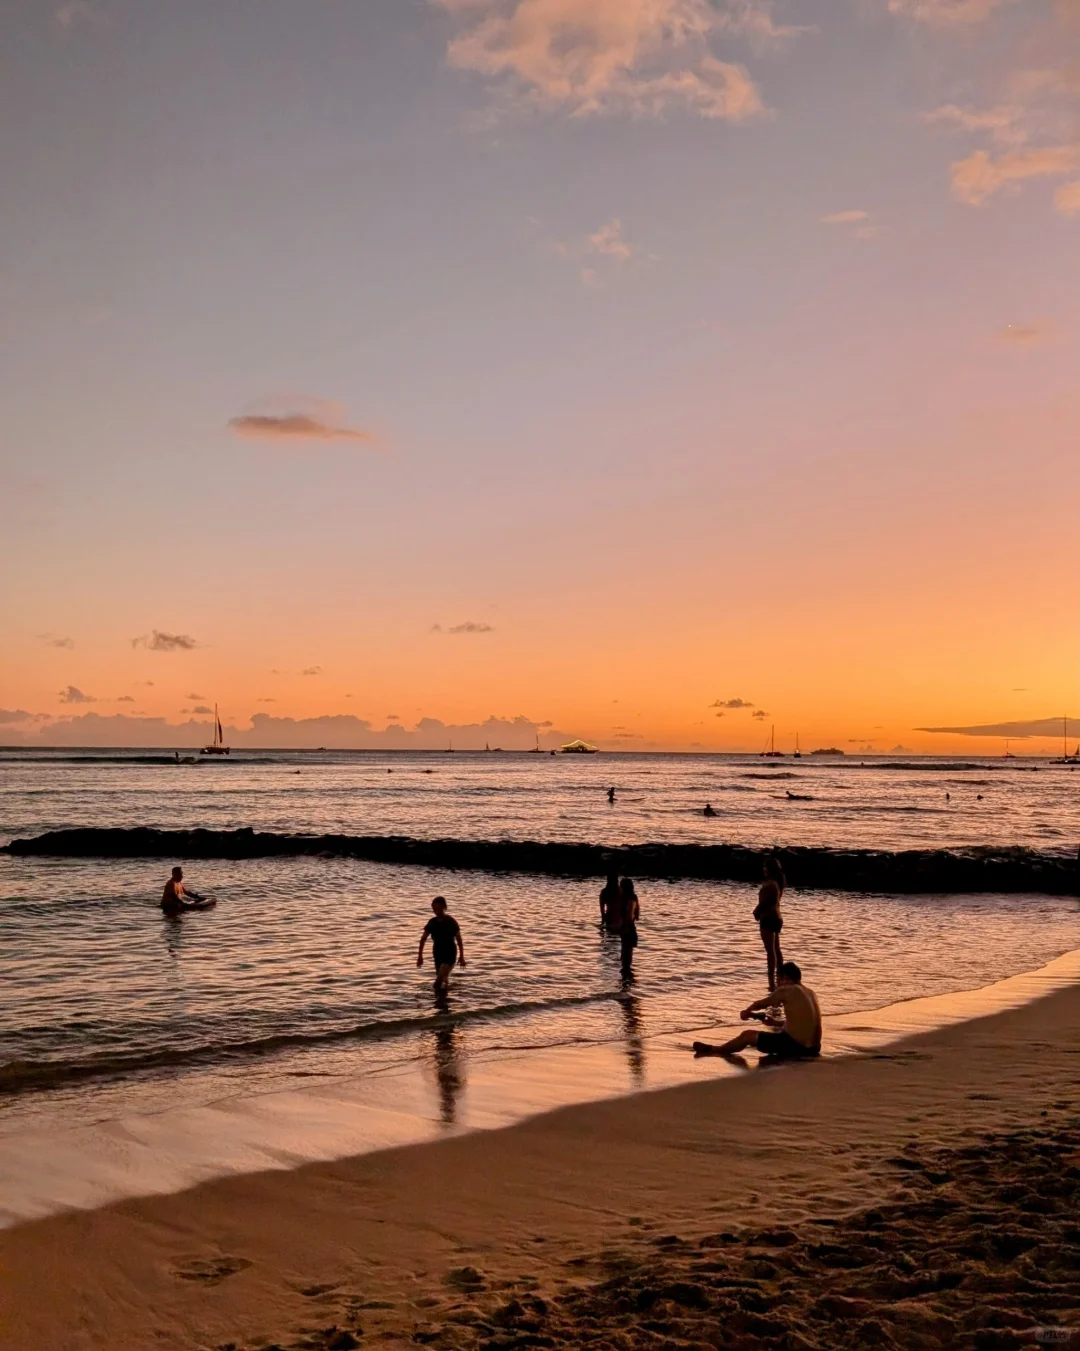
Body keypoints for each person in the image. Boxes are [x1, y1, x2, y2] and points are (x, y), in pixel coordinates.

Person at [693, 961, 821, 1059]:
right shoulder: (811, 993)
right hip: (814, 1048)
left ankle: (715, 1050)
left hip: (797, 1047)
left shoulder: (788, 989)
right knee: (773, 1037)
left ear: (786, 979)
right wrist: (776, 1023)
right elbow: (803, 1022)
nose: (778, 984)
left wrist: (747, 1011)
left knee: (747, 1035)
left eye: (779, 981)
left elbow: (762, 1003)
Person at [417, 896, 466, 992]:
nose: (437, 911)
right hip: (437, 954)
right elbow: (423, 939)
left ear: (444, 907)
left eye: (439, 908)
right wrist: (420, 956)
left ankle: (436, 1002)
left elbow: (459, 939)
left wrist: (462, 957)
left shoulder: (451, 922)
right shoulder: (432, 922)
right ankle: (443, 1003)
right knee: (443, 981)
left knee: (437, 983)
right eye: (434, 909)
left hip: (450, 954)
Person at [753, 856, 785, 990]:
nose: (763, 869)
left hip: (768, 919)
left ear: (769, 869)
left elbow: (765, 903)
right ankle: (780, 976)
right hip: (777, 918)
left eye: (765, 866)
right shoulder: (777, 883)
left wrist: (756, 912)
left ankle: (771, 979)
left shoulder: (770, 885)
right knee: (776, 950)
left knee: (770, 951)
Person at [618, 877, 640, 975]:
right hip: (626, 930)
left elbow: (629, 916)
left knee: (626, 961)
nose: (619, 888)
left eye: (621, 886)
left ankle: (626, 984)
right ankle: (626, 984)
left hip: (628, 930)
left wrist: (624, 927)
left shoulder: (630, 899)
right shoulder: (627, 898)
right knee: (625, 960)